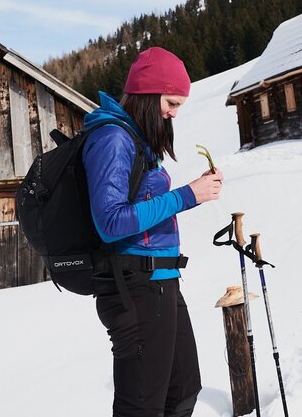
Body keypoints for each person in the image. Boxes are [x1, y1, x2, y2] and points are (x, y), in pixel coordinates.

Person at [82, 46, 224, 416]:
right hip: (135, 286)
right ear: (148, 92)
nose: (174, 114)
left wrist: (188, 195)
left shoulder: (138, 141)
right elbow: (110, 221)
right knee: (142, 407)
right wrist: (186, 196)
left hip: (160, 282)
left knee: (182, 392)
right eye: (171, 102)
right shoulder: (112, 139)